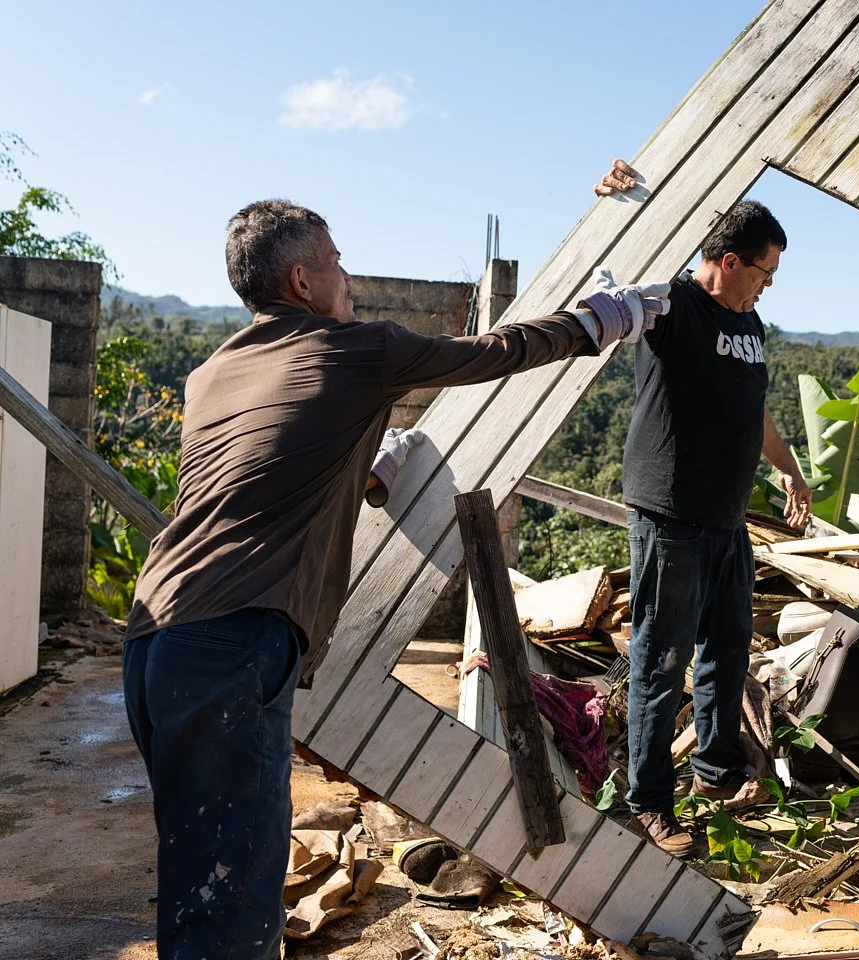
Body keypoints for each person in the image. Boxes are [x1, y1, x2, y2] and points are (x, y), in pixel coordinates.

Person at [121, 198, 666, 960]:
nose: (349, 276)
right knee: (235, 891)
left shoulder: (216, 372)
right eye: (337, 261)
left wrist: (367, 476)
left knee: (199, 869)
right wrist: (597, 322)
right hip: (232, 642)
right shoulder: (356, 350)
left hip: (155, 640)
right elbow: (492, 353)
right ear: (303, 279)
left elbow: (247, 488)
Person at [599, 160, 813, 854]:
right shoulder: (675, 306)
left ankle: (717, 770)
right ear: (725, 261)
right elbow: (630, 260)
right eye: (762, 271)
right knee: (661, 662)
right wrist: (625, 198)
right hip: (671, 516)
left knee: (725, 649)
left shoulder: (751, 325)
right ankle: (650, 805)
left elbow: (756, 410)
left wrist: (790, 471)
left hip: (726, 519)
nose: (767, 286)